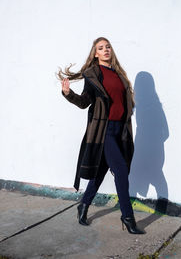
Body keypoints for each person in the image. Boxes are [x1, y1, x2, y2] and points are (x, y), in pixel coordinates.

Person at [57, 37, 145, 234]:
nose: (106, 50)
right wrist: (68, 93)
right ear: (95, 53)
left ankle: (84, 205)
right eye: (101, 48)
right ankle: (128, 217)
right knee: (121, 171)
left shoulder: (119, 75)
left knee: (99, 173)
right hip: (103, 131)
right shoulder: (93, 74)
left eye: (108, 47)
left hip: (120, 130)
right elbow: (84, 102)